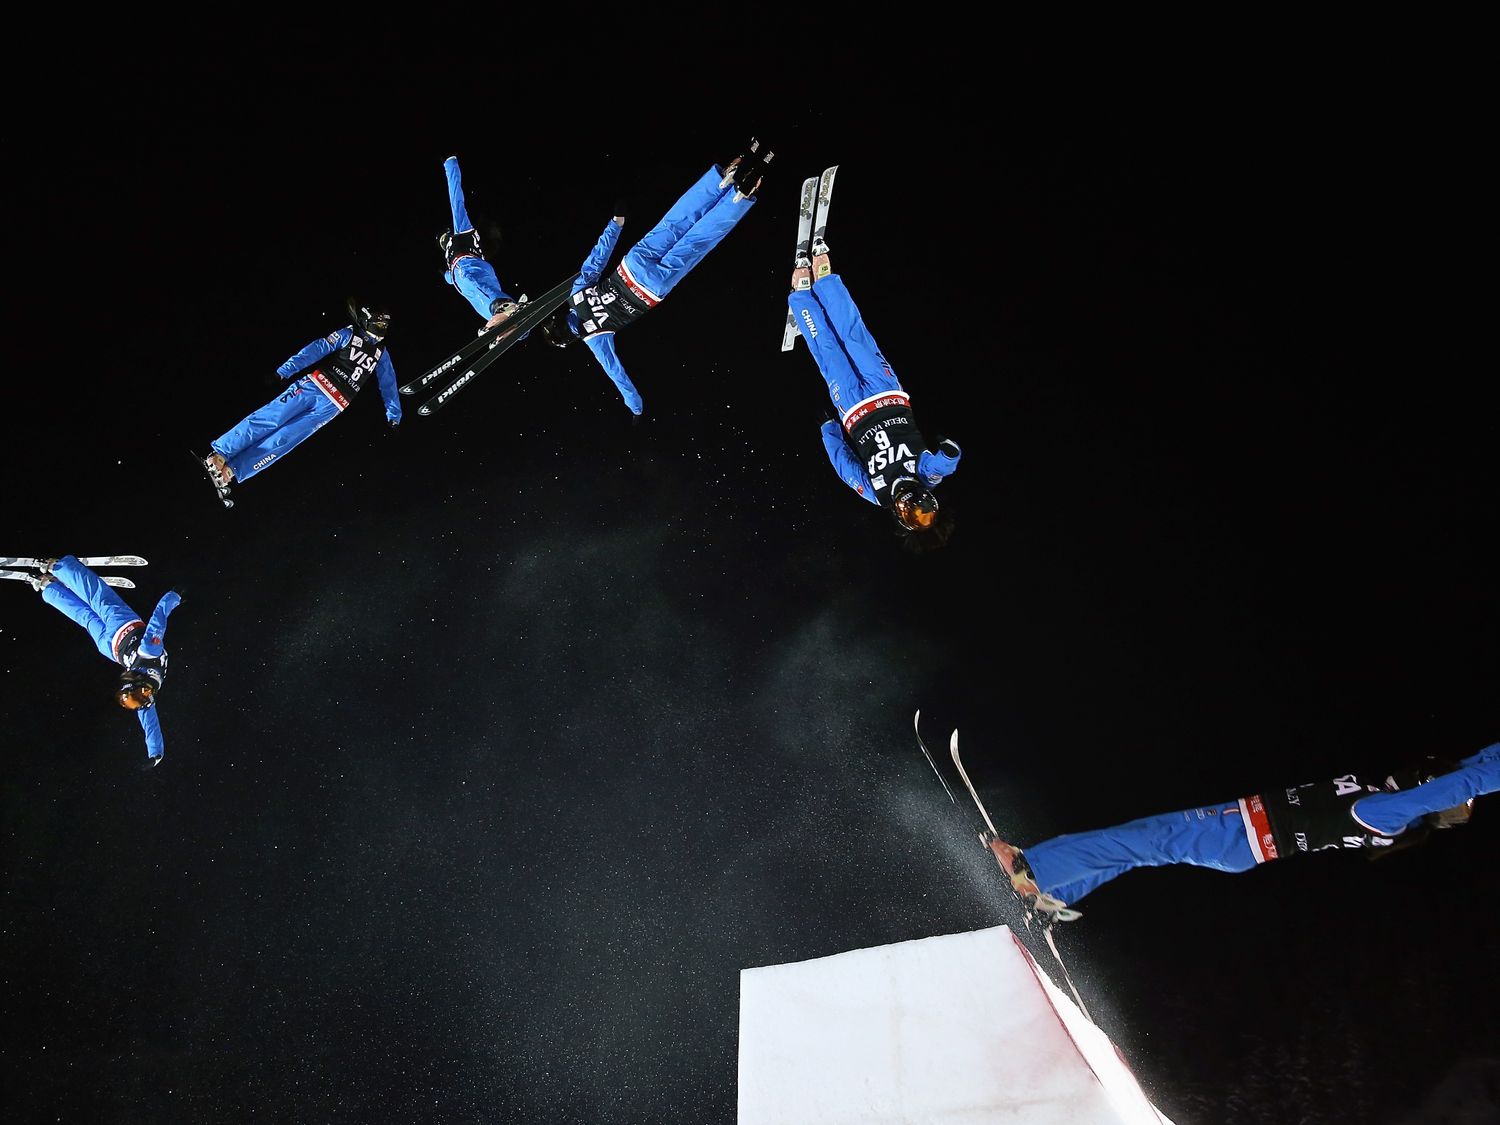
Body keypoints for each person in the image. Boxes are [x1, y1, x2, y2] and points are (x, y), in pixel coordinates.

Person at [981, 743, 1500, 923]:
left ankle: (1032, 870)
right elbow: (1473, 764)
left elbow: (1471, 778)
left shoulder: (1390, 813)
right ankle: (1053, 893)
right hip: (1238, 835)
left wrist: (1475, 777)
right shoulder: (1391, 803)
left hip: (1235, 836)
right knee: (1138, 850)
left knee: (1131, 840)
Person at [537, 139, 774, 416]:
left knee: (696, 242)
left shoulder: (595, 340)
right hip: (632, 266)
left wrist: (635, 408)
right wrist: (617, 223)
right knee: (675, 222)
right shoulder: (575, 296)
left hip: (649, 289)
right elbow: (595, 261)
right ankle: (722, 179)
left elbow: (618, 376)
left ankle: (739, 196)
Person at [787, 230, 961, 548]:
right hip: (886, 393)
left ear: (898, 513)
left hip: (853, 408)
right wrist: (949, 451)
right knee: (854, 336)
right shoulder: (925, 476)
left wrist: (829, 429)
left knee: (827, 351)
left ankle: (802, 295)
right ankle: (824, 272)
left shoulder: (878, 494)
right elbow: (942, 465)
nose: (904, 496)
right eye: (914, 499)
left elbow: (846, 468)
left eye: (905, 507)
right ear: (923, 495)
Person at [203, 300, 401, 495]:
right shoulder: (347, 334)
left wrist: (393, 414)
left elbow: (388, 382)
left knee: (284, 440)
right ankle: (221, 453)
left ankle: (233, 470)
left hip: (333, 406)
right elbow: (316, 349)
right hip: (313, 388)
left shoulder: (381, 353)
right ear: (367, 320)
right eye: (380, 323)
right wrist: (283, 372)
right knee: (269, 419)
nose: (383, 328)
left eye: (385, 324)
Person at [24, 556, 182, 769]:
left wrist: (155, 753)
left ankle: (56, 571)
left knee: (95, 599)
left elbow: (150, 724)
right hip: (116, 638)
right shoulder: (148, 656)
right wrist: (173, 596)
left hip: (117, 637)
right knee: (91, 607)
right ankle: (49, 583)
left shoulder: (144, 694)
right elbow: (157, 623)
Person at [438, 155, 526, 332]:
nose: (444, 243)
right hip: (477, 271)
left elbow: (456, 201)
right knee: (480, 304)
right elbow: (449, 277)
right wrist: (445, 276)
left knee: (473, 285)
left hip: (468, 266)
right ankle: (510, 327)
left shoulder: (461, 231)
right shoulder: (452, 263)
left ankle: (504, 307)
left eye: (443, 239)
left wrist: (450, 165)